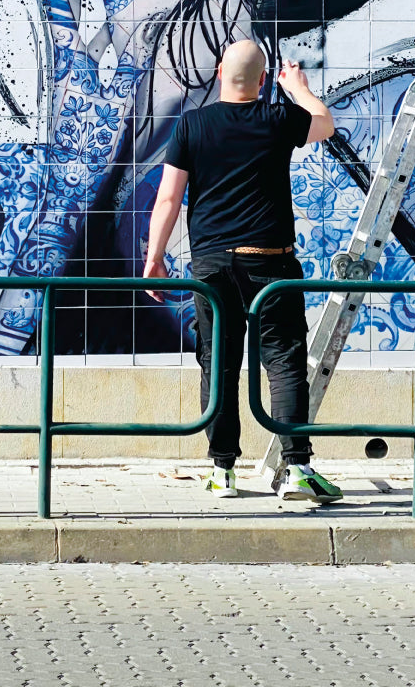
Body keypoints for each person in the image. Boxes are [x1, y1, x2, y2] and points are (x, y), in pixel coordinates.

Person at [142, 39, 342, 503]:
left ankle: (222, 472)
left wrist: (155, 259)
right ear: (263, 80)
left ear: (218, 73)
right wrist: (299, 88)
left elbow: (169, 197)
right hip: (271, 261)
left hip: (212, 265)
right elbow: (325, 124)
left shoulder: (192, 125)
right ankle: (297, 469)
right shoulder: (278, 118)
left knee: (219, 363)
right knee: (284, 362)